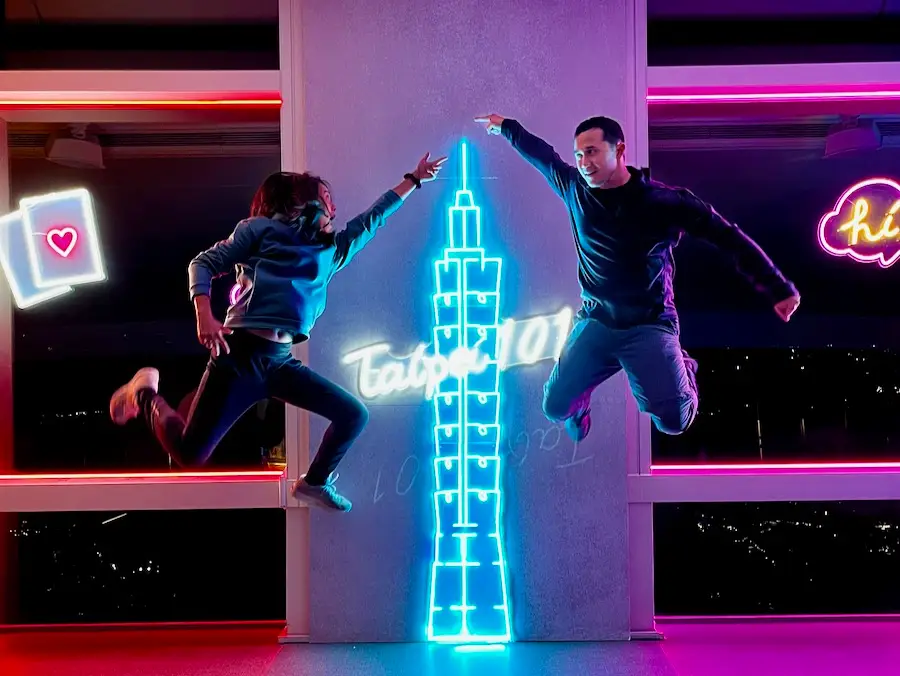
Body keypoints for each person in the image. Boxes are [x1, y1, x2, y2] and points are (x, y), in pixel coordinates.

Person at [109, 153, 447, 510]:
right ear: (301, 200)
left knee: (354, 414)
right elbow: (203, 264)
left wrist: (414, 178)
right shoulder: (260, 230)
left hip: (281, 364)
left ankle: (314, 483)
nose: (334, 204)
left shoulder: (330, 251)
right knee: (191, 455)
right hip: (239, 358)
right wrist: (203, 314)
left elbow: (373, 218)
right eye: (326, 195)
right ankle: (145, 393)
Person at [474, 113, 800, 442]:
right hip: (597, 322)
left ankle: (683, 367)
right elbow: (540, 154)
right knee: (556, 407)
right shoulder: (575, 189)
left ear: (619, 150)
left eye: (592, 152)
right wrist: (505, 126)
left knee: (674, 422)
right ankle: (580, 404)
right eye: (578, 155)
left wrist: (777, 287)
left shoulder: (665, 202)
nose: (584, 162)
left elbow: (727, 237)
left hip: (648, 324)